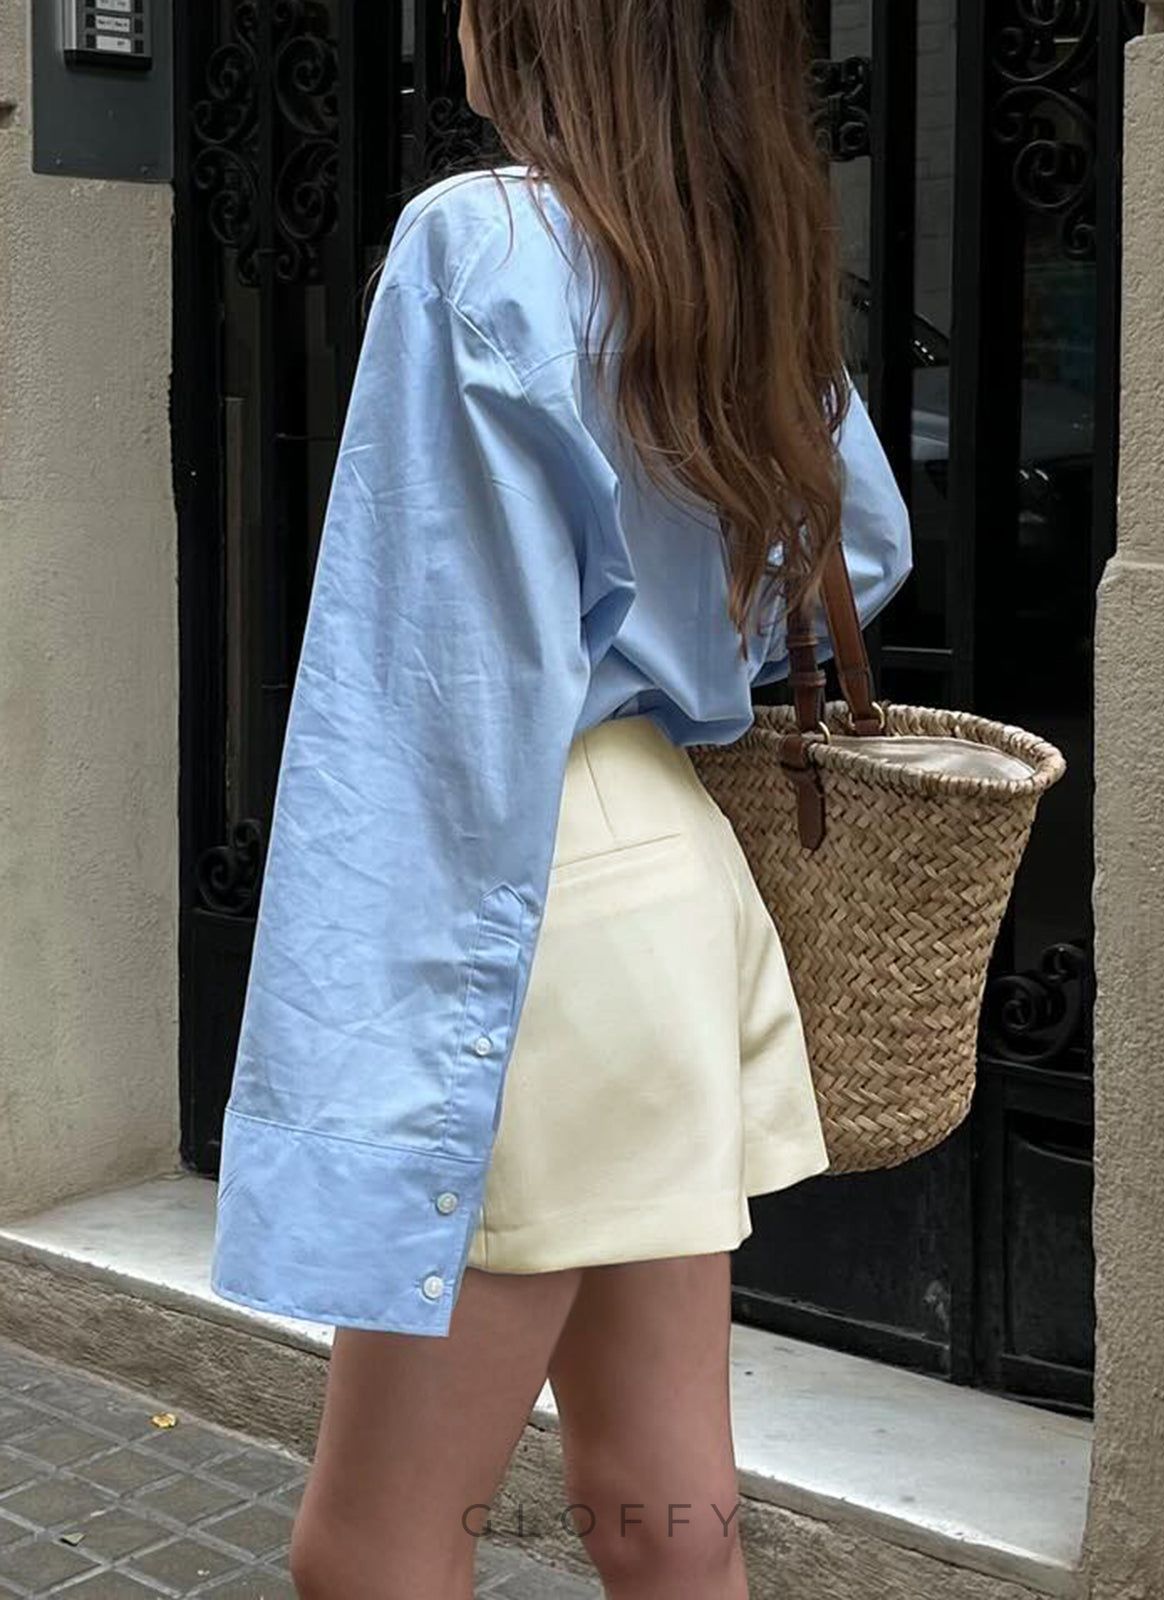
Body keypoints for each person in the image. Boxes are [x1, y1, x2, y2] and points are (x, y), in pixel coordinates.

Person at [209, 2, 912, 1595]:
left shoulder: (479, 243)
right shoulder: (731, 263)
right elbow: (858, 551)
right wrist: (687, 638)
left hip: (521, 891)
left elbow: (437, 688)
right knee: (665, 1511)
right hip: (671, 876)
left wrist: (357, 1028)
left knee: (368, 1551)